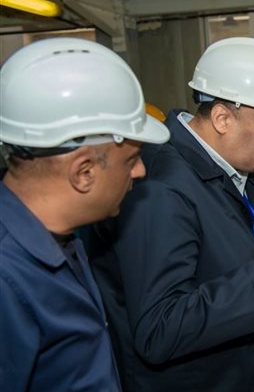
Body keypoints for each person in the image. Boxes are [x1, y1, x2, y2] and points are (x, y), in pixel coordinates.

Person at [88, 37, 254, 391]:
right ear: (222, 118)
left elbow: (252, 292)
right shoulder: (161, 188)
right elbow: (159, 330)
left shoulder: (247, 178)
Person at [0, 38, 170, 391]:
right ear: (84, 172)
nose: (140, 171)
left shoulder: (63, 241)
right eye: (131, 159)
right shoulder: (9, 279)